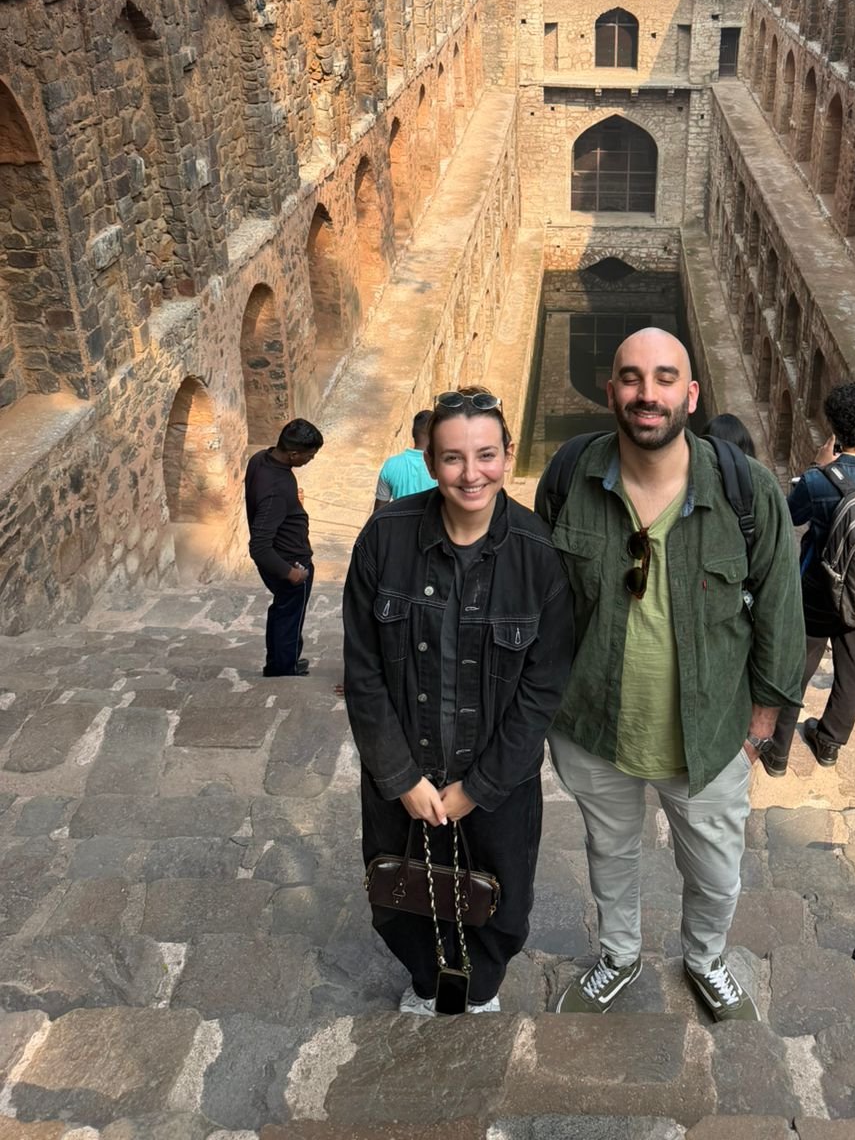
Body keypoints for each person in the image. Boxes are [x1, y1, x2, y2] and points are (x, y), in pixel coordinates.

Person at [535, 328, 804, 1023]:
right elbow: (540, 599)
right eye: (630, 378)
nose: (645, 394)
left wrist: (762, 726)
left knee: (716, 872)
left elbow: (780, 607)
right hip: (595, 726)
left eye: (662, 378)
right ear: (611, 391)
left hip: (711, 734)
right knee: (610, 855)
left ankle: (705, 956)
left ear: (690, 393)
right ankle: (619, 954)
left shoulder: (747, 493)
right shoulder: (570, 477)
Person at [343, 387, 573, 1015]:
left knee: (499, 898)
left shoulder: (536, 554)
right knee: (400, 892)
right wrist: (401, 777)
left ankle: (482, 989)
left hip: (495, 779)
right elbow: (363, 672)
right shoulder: (384, 540)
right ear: (429, 457)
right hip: (407, 771)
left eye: (486, 455)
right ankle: (425, 980)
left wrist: (478, 787)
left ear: (508, 454)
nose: (472, 474)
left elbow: (541, 688)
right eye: (452, 458)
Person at [763, 381, 855, 774]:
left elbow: (787, 516)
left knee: (798, 667)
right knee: (853, 668)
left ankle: (778, 753)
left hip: (817, 588)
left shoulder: (818, 480)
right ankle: (829, 744)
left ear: (835, 429)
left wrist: (817, 467)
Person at [245, 419, 324, 679]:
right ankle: (283, 669)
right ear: (293, 454)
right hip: (290, 561)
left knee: (282, 611)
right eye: (309, 456)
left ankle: (280, 662)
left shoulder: (261, 459)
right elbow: (259, 546)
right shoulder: (276, 489)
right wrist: (291, 573)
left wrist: (292, 504)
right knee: (290, 615)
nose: (310, 460)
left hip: (285, 554)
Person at [374, 410, 438, 511]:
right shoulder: (440, 467)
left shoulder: (390, 465)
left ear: (412, 433)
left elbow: (378, 512)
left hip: (399, 525)